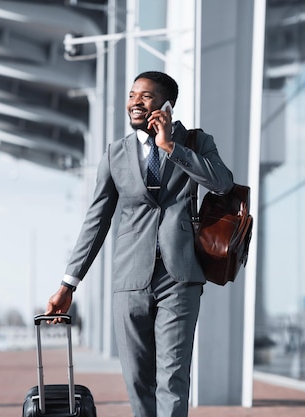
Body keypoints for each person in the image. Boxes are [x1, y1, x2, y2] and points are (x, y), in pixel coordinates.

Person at [45, 71, 234, 417]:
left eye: (145, 96)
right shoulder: (116, 153)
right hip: (130, 280)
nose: (134, 102)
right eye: (132, 95)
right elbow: (96, 221)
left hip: (180, 278)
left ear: (166, 105)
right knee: (137, 380)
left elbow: (222, 183)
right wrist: (68, 283)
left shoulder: (195, 142)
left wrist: (170, 148)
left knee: (172, 378)